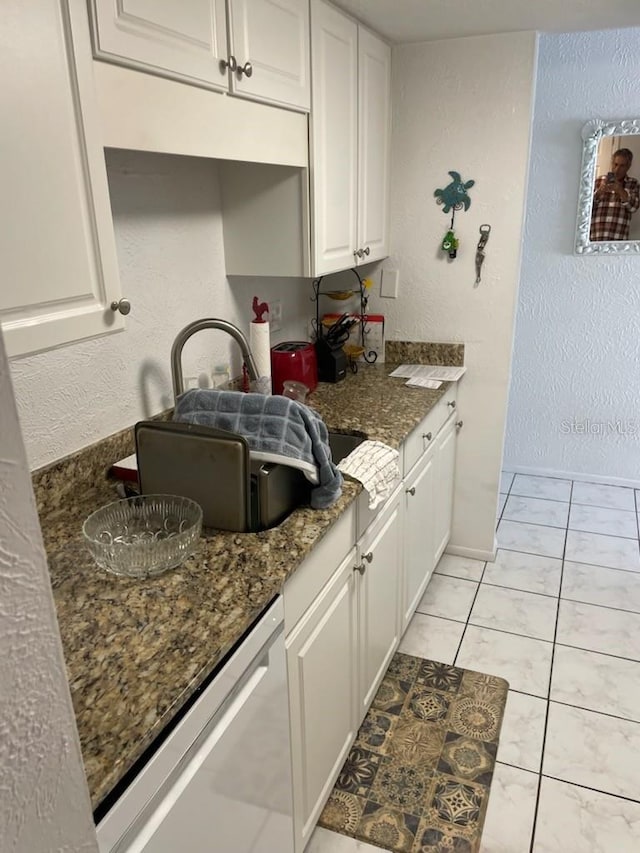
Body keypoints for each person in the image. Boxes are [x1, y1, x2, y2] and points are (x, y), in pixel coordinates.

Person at [590, 148, 640, 241]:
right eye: (615, 164)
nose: (617, 169)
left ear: (628, 166)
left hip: (618, 239)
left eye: (622, 166)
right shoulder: (599, 181)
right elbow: (585, 209)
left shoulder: (633, 183)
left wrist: (620, 190)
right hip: (596, 237)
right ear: (612, 163)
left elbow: (634, 207)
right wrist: (599, 192)